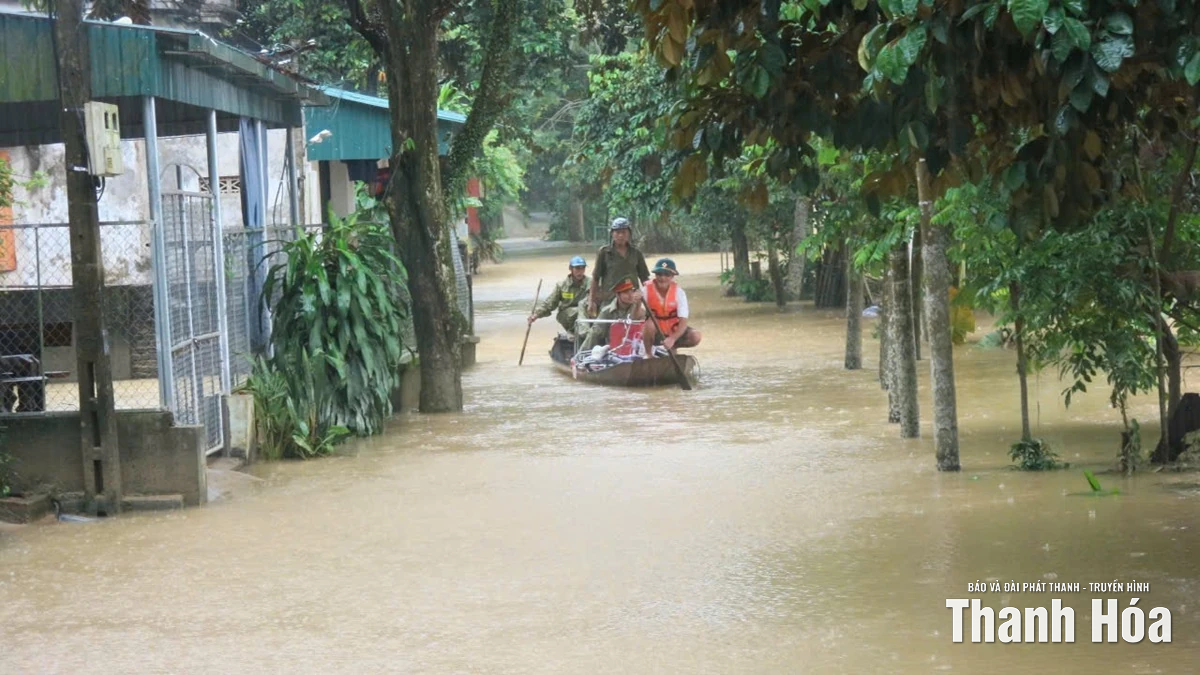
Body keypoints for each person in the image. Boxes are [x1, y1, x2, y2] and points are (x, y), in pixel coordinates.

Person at [587, 217, 650, 317]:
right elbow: (595, 278)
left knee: (637, 327)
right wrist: (591, 301)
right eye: (617, 232)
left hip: (632, 300)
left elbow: (644, 278)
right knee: (606, 329)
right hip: (610, 300)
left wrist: (648, 298)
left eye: (624, 232)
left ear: (629, 233)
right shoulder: (604, 252)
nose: (620, 235)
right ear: (612, 233)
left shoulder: (636, 253)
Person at [642, 257, 702, 353]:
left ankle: (672, 347)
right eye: (659, 274)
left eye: (667, 275)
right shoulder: (645, 290)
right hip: (654, 331)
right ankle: (648, 354)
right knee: (650, 324)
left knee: (696, 336)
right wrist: (636, 301)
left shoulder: (679, 293)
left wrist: (672, 339)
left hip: (673, 329)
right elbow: (636, 314)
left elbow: (683, 321)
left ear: (673, 276)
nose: (662, 278)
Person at [578, 277, 647, 353]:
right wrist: (581, 353)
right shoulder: (606, 312)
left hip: (634, 350)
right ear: (617, 294)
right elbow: (594, 334)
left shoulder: (639, 309)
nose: (630, 295)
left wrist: (638, 305)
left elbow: (641, 332)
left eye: (632, 291)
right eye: (626, 292)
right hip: (612, 351)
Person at [528, 256, 590, 334]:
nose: (580, 271)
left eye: (582, 268)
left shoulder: (591, 283)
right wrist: (536, 315)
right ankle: (572, 332)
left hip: (587, 314)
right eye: (577, 268)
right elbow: (550, 304)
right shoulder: (562, 286)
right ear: (571, 269)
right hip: (567, 316)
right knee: (577, 311)